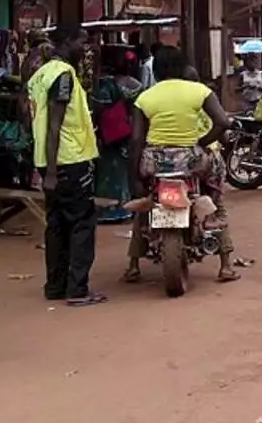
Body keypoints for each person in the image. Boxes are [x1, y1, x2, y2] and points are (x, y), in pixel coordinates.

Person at [125, 47, 238, 283]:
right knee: (216, 199)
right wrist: (202, 142)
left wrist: (134, 178)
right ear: (182, 67)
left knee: (146, 204)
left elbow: (136, 140)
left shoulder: (145, 97)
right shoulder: (200, 91)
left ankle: (133, 265)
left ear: (155, 70)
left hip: (153, 162)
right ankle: (225, 265)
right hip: (191, 161)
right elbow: (222, 122)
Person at [26, 25, 106, 306]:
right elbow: (54, 125)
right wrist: (51, 170)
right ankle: (78, 289)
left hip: (46, 160)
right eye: (81, 43)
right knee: (82, 223)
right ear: (68, 42)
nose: (85, 49)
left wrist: (45, 166)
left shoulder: (38, 75)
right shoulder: (63, 75)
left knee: (56, 224)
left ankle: (55, 286)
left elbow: (30, 118)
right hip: (69, 161)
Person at [91, 47, 143, 223]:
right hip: (130, 132)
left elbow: (98, 110)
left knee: (107, 171)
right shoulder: (136, 85)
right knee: (126, 171)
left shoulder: (105, 86)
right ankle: (126, 207)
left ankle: (108, 210)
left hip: (108, 135)